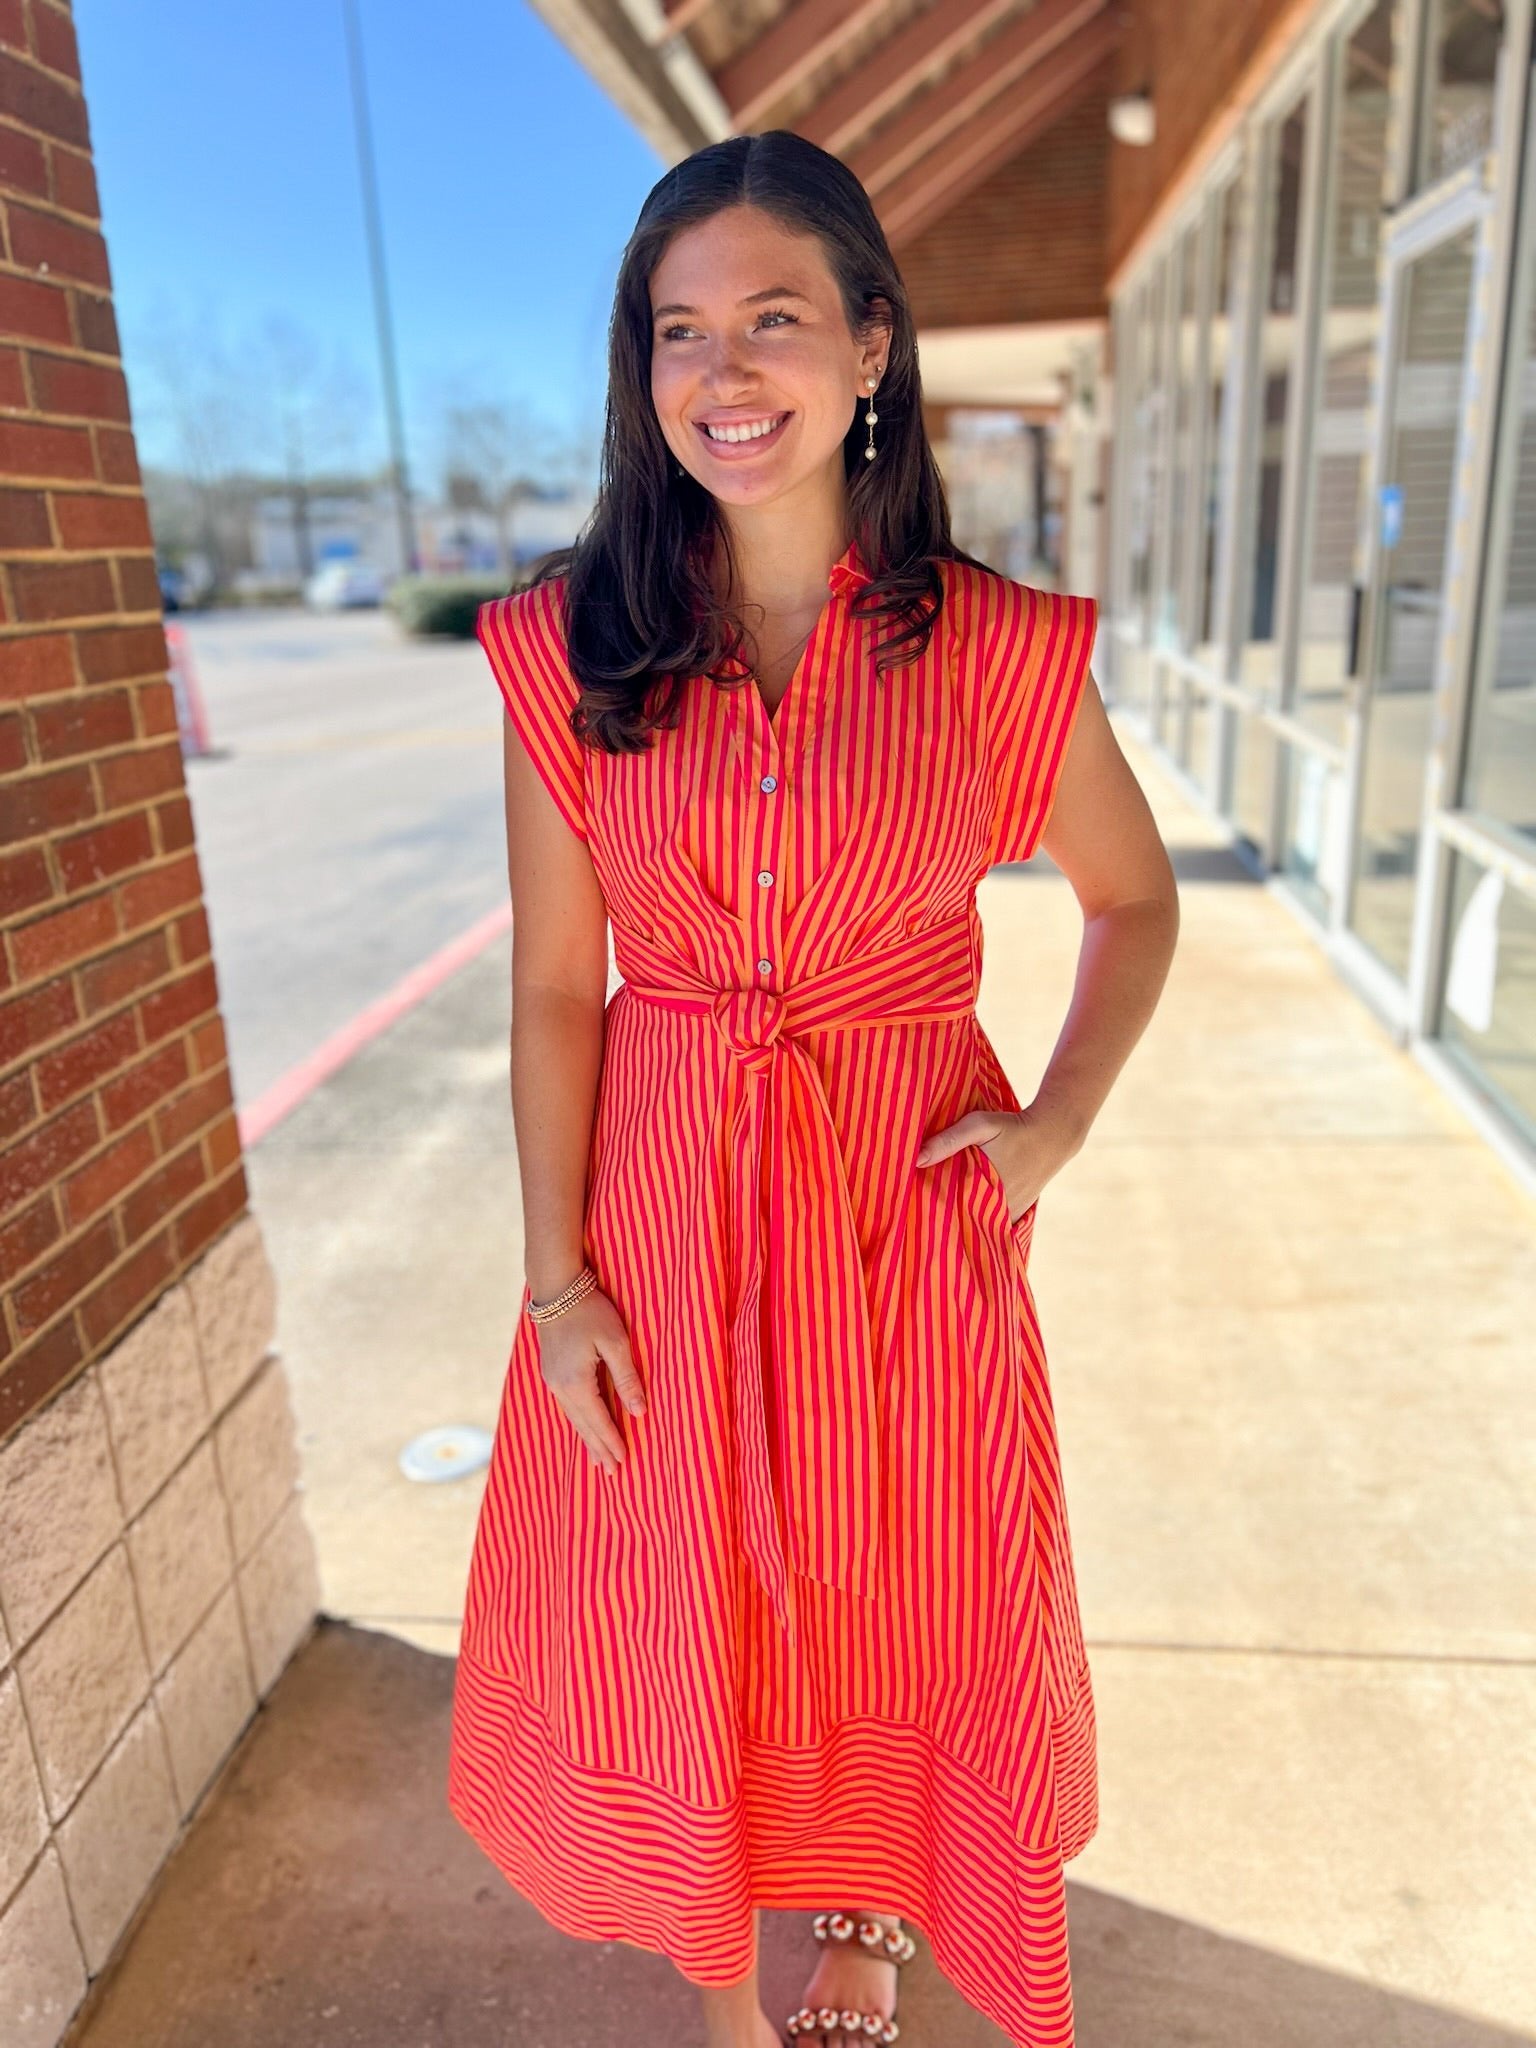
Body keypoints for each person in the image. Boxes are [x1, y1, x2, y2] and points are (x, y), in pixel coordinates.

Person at [447, 130, 1179, 2048]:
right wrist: (555, 1274)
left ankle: (867, 1892)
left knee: (900, 1571)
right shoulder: (568, 651)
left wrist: (1059, 1122)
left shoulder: (1004, 653)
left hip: (902, 1208)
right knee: (689, 1590)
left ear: (872, 345)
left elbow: (1133, 899)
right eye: (680, 332)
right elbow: (551, 983)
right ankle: (717, 1985)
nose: (722, 373)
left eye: (773, 318)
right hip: (662, 1209)